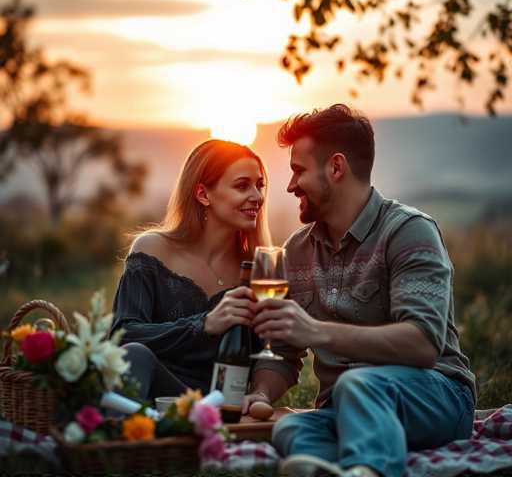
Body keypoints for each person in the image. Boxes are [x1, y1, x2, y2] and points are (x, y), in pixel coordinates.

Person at [244, 104, 476, 477]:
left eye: (298, 170)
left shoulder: (408, 231)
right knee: (292, 428)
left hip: (437, 397)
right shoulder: (296, 250)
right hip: (343, 408)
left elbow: (422, 344)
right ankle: (343, 468)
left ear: (335, 168)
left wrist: (318, 331)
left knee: (358, 386)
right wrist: (261, 393)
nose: (289, 186)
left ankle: (371, 469)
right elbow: (285, 351)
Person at [111, 139, 271, 401]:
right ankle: (120, 442)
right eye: (243, 186)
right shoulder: (152, 249)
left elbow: (275, 352)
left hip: (221, 406)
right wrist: (204, 324)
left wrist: (262, 392)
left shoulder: (260, 271)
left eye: (259, 185)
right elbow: (123, 335)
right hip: (153, 399)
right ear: (203, 194)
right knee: (135, 355)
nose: (257, 196)